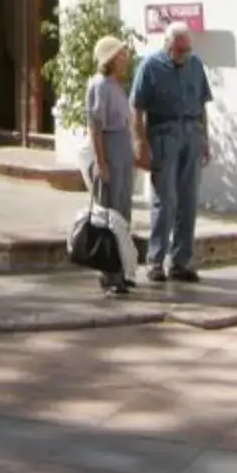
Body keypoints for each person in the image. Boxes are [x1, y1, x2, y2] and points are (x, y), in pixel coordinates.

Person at [130, 23, 212, 283]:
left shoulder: (196, 65)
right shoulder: (150, 66)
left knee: (188, 201)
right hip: (163, 134)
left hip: (191, 132)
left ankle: (181, 261)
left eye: (187, 49)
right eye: (178, 50)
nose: (183, 54)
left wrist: (205, 139)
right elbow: (137, 108)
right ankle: (155, 261)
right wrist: (140, 144)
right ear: (167, 45)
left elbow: (202, 104)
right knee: (164, 200)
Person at [82, 36, 140, 296]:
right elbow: (95, 125)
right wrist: (100, 161)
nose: (125, 59)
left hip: (122, 148)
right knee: (110, 214)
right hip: (109, 147)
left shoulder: (117, 85)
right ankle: (109, 274)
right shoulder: (100, 86)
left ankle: (122, 269)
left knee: (123, 212)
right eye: (120, 55)